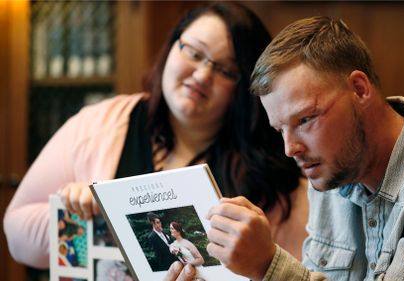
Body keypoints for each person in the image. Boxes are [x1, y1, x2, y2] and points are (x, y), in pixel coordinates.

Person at [166, 16, 404, 281]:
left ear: (359, 88)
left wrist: (268, 265)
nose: (290, 149)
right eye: (280, 129)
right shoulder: (330, 169)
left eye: (306, 119)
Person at [3, 2, 308, 269]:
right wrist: (79, 216)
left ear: (245, 89)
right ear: (172, 46)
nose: (202, 75)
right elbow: (16, 234)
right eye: (194, 53)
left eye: (226, 70)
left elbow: (295, 269)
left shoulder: (272, 171)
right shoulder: (100, 125)